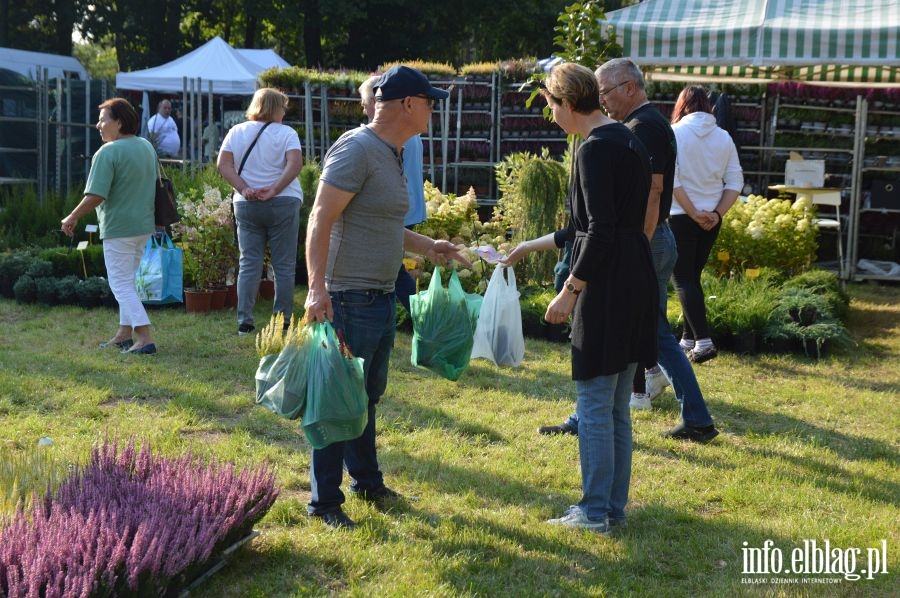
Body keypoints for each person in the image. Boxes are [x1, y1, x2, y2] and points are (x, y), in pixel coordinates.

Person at [304, 65, 467, 530]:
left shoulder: (394, 152)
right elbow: (319, 219)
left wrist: (429, 246)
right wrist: (317, 289)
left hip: (376, 297)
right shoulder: (356, 149)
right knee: (337, 400)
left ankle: (367, 482)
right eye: (429, 100)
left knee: (366, 397)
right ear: (407, 105)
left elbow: (384, 224)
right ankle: (324, 502)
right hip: (347, 295)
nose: (433, 108)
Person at [536, 59, 721, 443]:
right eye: (597, 92)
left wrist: (637, 245)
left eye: (606, 92)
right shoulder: (636, 128)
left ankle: (691, 414)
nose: (602, 101)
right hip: (639, 241)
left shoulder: (641, 128)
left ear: (630, 88)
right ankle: (614, 403)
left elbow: (652, 193)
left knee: (646, 332)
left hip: (643, 240)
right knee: (643, 332)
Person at [509, 63, 656, 533]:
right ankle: (610, 509)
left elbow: (600, 231)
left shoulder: (593, 150)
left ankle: (594, 512)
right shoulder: (627, 137)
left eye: (551, 106)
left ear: (568, 103)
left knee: (595, 404)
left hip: (608, 286)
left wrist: (571, 291)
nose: (551, 116)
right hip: (635, 278)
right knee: (614, 406)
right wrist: (530, 247)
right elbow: (591, 225)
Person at [61, 98, 158, 354]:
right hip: (143, 226)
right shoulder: (146, 146)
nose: (98, 125)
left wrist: (72, 217)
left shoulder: (108, 152)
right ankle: (124, 334)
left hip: (119, 228)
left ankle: (144, 336)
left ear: (119, 122)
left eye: (104, 119)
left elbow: (96, 195)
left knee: (120, 284)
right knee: (128, 281)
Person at [218, 88, 303, 336]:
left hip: (246, 203)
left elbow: (223, 165)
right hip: (283, 201)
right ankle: (283, 321)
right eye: (283, 108)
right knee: (284, 265)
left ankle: (245, 321)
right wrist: (275, 189)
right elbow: (295, 164)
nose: (284, 112)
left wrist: (244, 189)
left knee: (249, 263)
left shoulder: (236, 131)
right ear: (276, 108)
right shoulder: (287, 133)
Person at [669, 85, 743, 363]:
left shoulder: (674, 133)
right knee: (692, 277)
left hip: (680, 216)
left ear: (681, 105)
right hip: (711, 221)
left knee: (683, 279)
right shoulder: (723, 137)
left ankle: (703, 340)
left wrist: (692, 211)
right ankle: (689, 338)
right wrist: (717, 214)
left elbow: (671, 179)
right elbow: (735, 181)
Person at [358, 75, 427, 315]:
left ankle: (421, 316)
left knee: (392, 272)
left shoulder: (380, 139)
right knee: (393, 269)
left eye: (364, 100)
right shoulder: (413, 133)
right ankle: (418, 315)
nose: (362, 106)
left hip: (394, 210)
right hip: (410, 207)